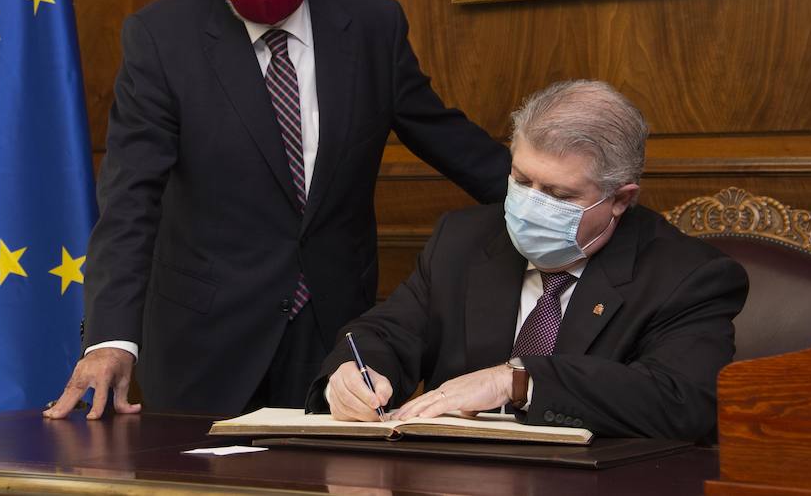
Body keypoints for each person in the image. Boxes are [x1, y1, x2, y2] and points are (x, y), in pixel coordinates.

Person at [44, 0, 511, 421]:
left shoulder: (370, 25)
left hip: (338, 335)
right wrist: (111, 338)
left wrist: (553, 199)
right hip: (204, 338)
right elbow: (130, 200)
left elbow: (448, 140)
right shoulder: (162, 38)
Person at [309, 80, 748, 443]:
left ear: (619, 200)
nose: (531, 205)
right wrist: (354, 373)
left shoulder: (688, 277)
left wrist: (517, 380)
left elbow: (683, 400)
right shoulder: (462, 240)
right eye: (521, 180)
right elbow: (386, 331)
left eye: (559, 195)